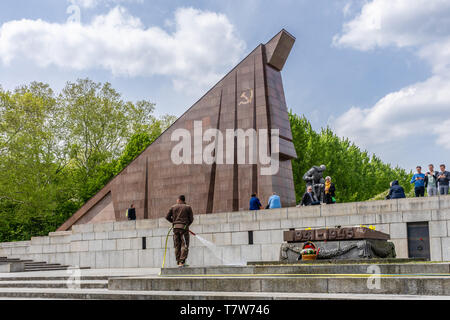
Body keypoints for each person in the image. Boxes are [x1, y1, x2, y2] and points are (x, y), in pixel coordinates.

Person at [165, 195, 194, 267]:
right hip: (184, 228)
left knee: (177, 245)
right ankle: (182, 262)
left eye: (177, 200)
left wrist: (174, 222)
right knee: (185, 245)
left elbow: (167, 217)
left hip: (175, 228)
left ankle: (178, 262)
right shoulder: (188, 207)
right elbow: (191, 219)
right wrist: (186, 225)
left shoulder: (173, 207)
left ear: (179, 200)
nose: (176, 201)